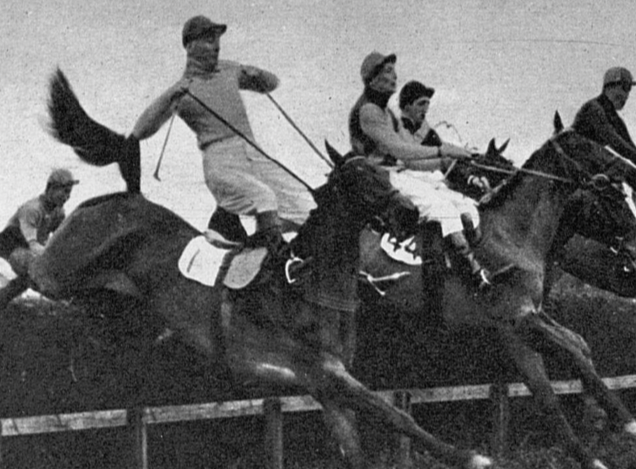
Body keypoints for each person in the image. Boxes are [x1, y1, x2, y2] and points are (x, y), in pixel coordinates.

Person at [130, 15, 314, 252]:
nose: (216, 46)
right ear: (190, 45)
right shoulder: (183, 90)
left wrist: (259, 74)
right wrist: (171, 95)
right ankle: (270, 260)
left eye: (217, 40)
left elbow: (271, 84)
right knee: (263, 197)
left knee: (305, 208)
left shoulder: (229, 69)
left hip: (253, 152)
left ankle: (275, 253)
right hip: (220, 159)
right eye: (208, 40)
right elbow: (140, 130)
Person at [348, 51, 490, 289]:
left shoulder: (387, 113)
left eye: (393, 71)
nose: (394, 77)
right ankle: (472, 272)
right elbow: (401, 151)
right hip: (377, 176)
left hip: (398, 173)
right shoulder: (369, 111)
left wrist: (447, 159)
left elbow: (413, 159)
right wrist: (443, 151)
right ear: (372, 79)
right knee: (442, 208)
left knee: (464, 204)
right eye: (387, 72)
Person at [0, 168, 77, 305]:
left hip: (27, 249)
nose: (67, 197)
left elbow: (60, 239)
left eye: (69, 193)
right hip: (11, 244)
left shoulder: (58, 212)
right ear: (51, 188)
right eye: (64, 191)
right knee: (33, 270)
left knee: (29, 276)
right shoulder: (33, 209)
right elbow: (32, 243)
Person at [571, 67, 636, 185]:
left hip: (589, 164)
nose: (626, 95)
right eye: (625, 88)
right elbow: (615, 141)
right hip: (573, 162)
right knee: (629, 174)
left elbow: (632, 151)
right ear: (610, 87)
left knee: (630, 178)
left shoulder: (615, 119)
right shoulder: (594, 108)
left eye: (629, 89)